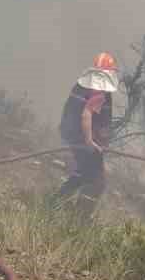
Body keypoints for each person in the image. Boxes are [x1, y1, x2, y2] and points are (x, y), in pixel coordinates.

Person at [50, 52, 120, 217]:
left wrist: (101, 138)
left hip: (72, 133)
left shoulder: (84, 85)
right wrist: (89, 141)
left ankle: (55, 203)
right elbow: (86, 115)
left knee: (84, 172)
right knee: (96, 180)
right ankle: (78, 218)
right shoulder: (99, 90)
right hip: (82, 137)